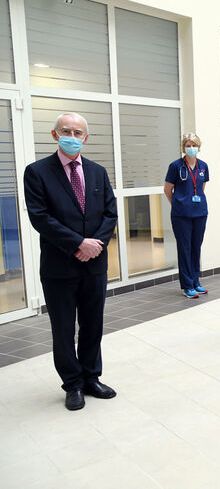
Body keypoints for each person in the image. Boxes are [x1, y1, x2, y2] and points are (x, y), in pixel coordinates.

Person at [23, 113, 118, 411]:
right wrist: (78, 243)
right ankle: (73, 384)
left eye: (78, 132)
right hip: (59, 266)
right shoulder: (37, 172)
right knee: (63, 329)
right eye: (66, 131)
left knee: (93, 325)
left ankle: (91, 377)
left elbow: (110, 214)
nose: (72, 136)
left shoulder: (98, 172)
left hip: (94, 264)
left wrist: (94, 246)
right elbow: (40, 217)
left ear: (86, 138)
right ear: (54, 135)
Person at [164, 133, 209, 299]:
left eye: (193, 145)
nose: (191, 148)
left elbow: (201, 188)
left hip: (200, 213)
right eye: (188, 145)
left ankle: (196, 281)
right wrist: (178, 204)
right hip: (181, 215)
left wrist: (193, 203)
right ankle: (187, 285)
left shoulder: (203, 166)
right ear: (183, 147)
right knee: (184, 249)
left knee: (196, 247)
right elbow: (167, 190)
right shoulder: (175, 166)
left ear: (198, 146)